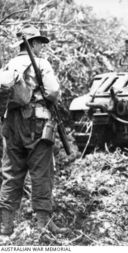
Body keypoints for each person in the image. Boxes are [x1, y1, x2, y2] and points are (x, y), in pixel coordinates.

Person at [0, 25, 67, 235]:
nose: (41, 47)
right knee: (41, 172)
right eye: (40, 43)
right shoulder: (41, 63)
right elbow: (53, 92)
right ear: (34, 43)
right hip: (36, 124)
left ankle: (5, 224)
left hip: (11, 123)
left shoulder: (9, 65)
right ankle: (43, 224)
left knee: (11, 173)